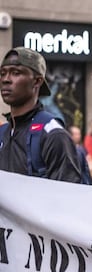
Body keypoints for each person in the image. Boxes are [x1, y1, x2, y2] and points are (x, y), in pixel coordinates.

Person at [0, 47, 81, 182]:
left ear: (37, 81)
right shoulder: (2, 133)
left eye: (16, 72)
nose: (6, 80)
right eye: (2, 73)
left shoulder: (53, 134)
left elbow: (68, 196)